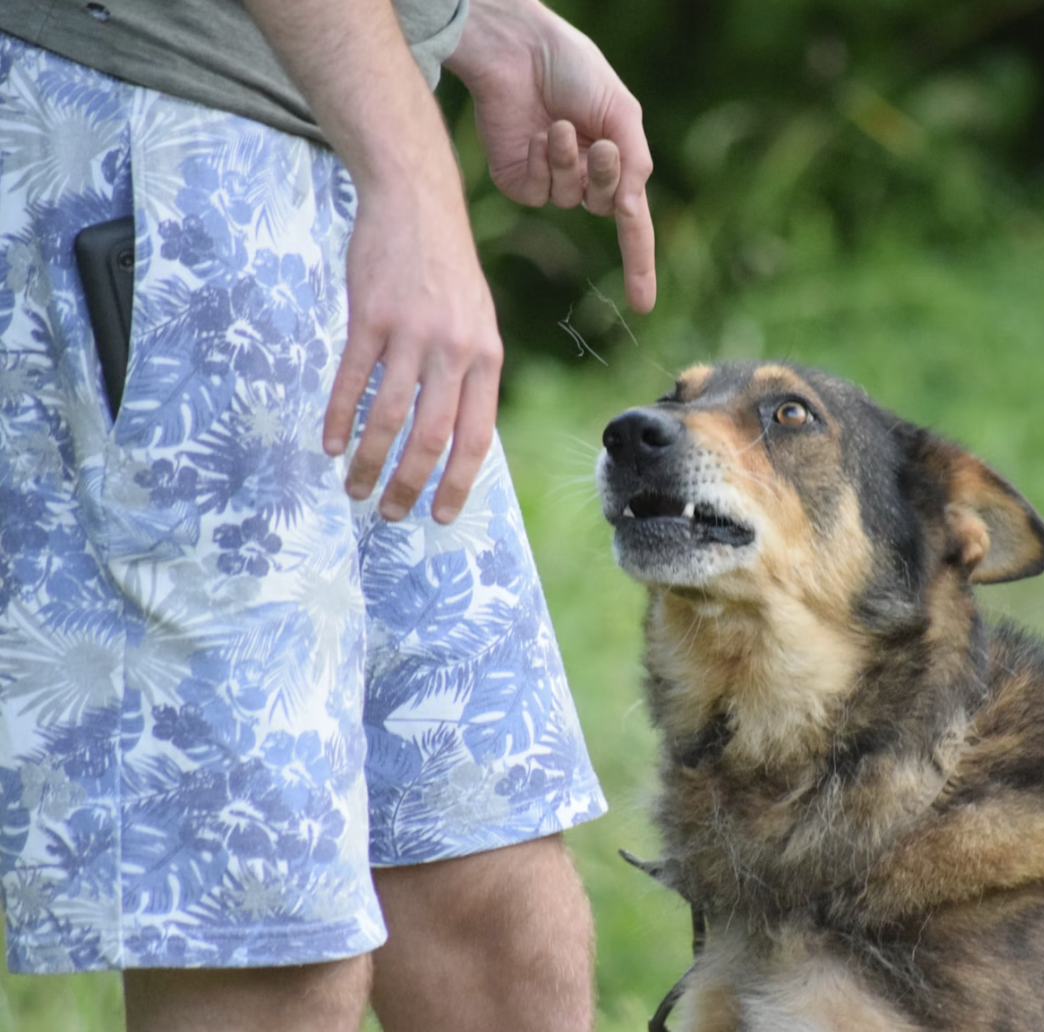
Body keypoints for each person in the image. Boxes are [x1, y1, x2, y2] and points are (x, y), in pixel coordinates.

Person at [0, 0, 654, 1028]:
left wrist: (470, 18)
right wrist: (417, 181)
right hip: (159, 151)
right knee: (263, 947)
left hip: (337, 129)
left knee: (480, 886)